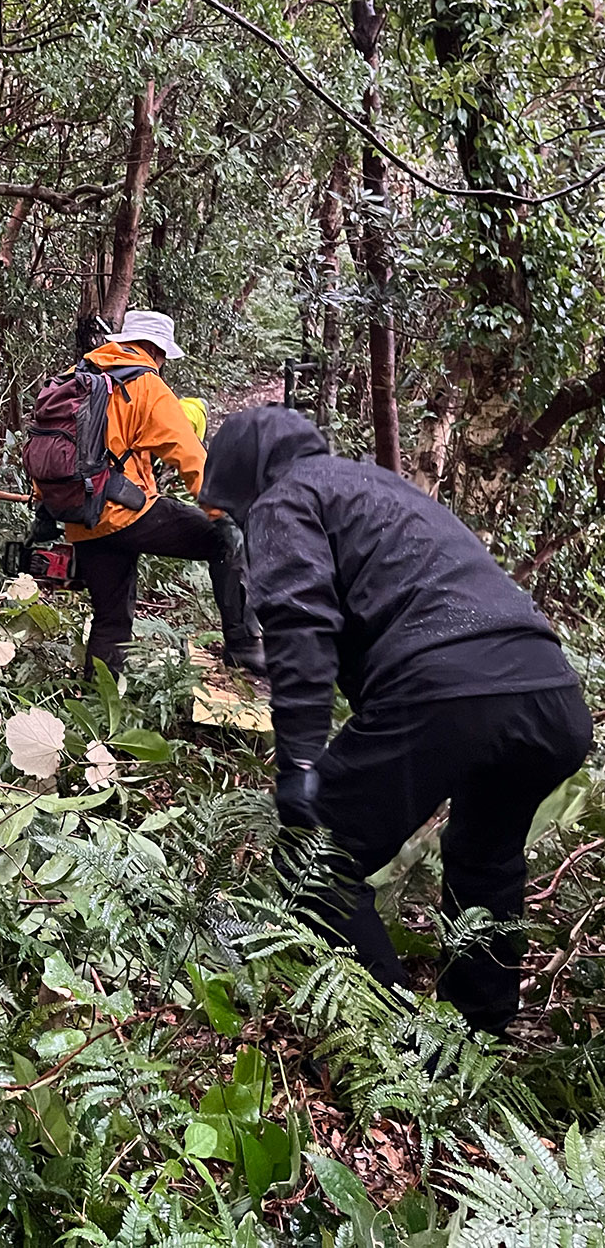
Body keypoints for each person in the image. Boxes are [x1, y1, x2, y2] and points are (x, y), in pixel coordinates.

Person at [200, 405, 593, 1035]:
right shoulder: (377, 486)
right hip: (551, 696)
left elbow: (300, 623)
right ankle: (478, 1034)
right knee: (484, 857)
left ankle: (400, 1041)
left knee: (314, 856)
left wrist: (300, 759)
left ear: (248, 480)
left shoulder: (285, 498)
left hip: (447, 686)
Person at [64, 310, 265, 679]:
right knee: (223, 540)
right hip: (125, 513)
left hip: (80, 517)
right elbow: (190, 457)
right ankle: (243, 646)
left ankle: (96, 711)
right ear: (156, 351)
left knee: (110, 618)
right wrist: (227, 511)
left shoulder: (76, 377)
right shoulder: (146, 385)